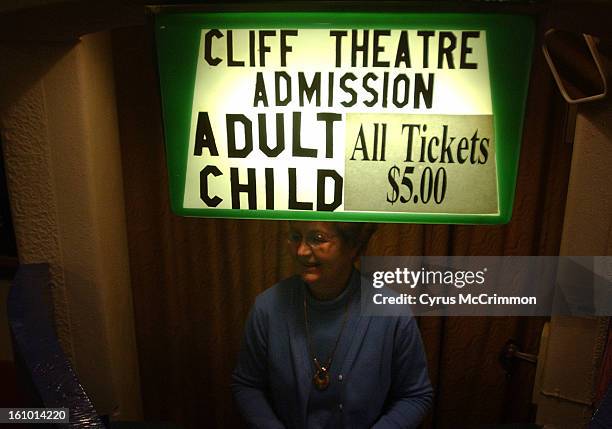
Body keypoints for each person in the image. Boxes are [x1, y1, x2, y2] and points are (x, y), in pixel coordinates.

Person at [232, 221, 433, 428]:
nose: (301, 251)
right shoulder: (267, 307)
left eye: (318, 239)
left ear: (353, 246)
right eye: (295, 236)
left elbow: (415, 395)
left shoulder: (393, 313)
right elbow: (247, 385)